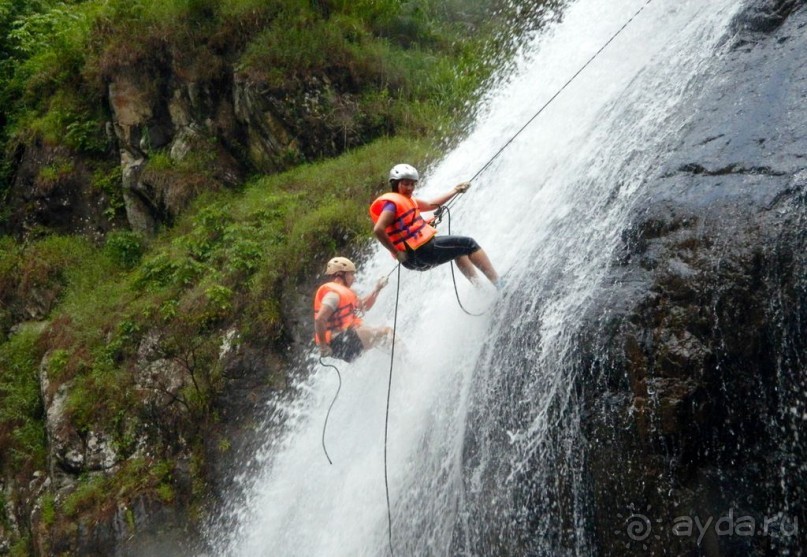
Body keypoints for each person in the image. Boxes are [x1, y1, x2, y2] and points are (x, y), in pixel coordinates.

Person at [369, 163, 500, 287]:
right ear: (396, 183)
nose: (410, 188)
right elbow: (378, 229)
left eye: (412, 184)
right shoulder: (391, 204)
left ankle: (481, 289)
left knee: (459, 251)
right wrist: (396, 252)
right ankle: (499, 284)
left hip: (411, 260)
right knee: (469, 244)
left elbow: (431, 204)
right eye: (405, 184)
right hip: (421, 251)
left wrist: (455, 190)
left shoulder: (407, 200)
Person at [314, 256, 393, 362]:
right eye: (351, 274)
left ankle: (400, 362)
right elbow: (320, 319)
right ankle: (409, 360)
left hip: (344, 341)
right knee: (387, 333)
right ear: (340, 275)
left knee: (381, 339)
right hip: (341, 341)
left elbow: (364, 306)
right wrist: (323, 347)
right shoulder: (333, 295)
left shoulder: (346, 293)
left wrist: (377, 289)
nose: (354, 278)